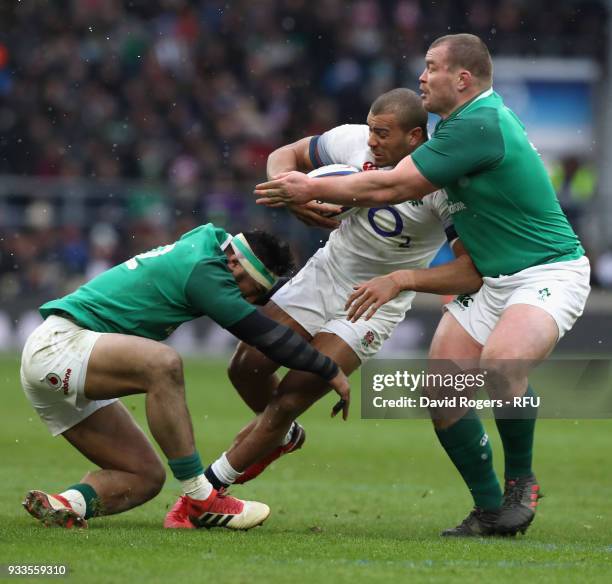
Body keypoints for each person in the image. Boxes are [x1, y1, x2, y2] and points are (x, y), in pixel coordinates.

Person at [254, 34, 591, 537]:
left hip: (547, 271)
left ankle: (522, 480)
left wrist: (312, 185)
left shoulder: (481, 122)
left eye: (432, 67)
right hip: (491, 280)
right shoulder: (454, 132)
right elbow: (386, 178)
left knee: (502, 364)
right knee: (442, 393)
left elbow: (393, 185)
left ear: (463, 79)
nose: (421, 76)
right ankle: (490, 510)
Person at [201, 89, 482, 493]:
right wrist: (289, 192)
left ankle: (208, 490)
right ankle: (282, 434)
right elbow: (287, 154)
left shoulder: (443, 184)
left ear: (415, 137)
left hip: (374, 302)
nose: (371, 141)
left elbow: (469, 271)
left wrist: (402, 280)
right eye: (371, 129)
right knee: (245, 366)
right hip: (325, 273)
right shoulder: (354, 141)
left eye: (383, 133)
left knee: (292, 396)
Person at [20, 223, 350, 530]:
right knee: (162, 365)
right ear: (235, 264)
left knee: (143, 477)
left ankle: (66, 504)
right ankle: (200, 496)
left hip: (67, 360)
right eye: (253, 291)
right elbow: (265, 336)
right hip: (60, 347)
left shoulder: (208, 249)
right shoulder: (205, 271)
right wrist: (329, 369)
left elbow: (257, 311)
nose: (249, 301)